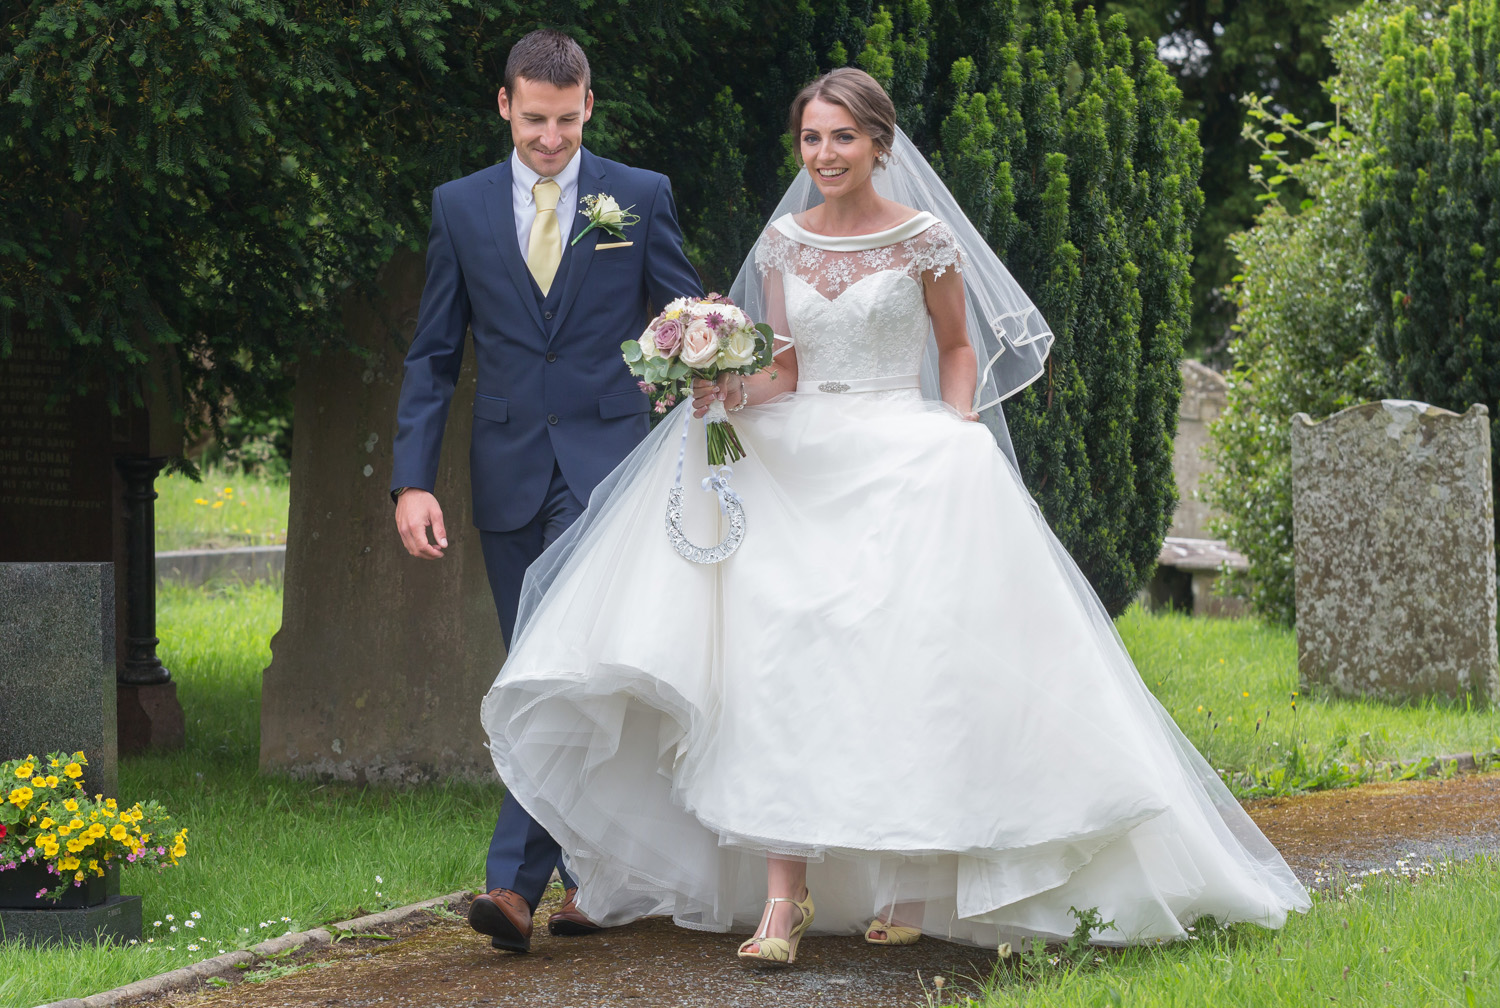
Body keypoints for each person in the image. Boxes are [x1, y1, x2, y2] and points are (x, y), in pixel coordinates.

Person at [480, 67, 1310, 966]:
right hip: (801, 463)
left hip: (906, 458)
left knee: (909, 664)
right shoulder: (783, 243)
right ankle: (780, 899)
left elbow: (958, 349)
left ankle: (910, 884)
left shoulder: (924, 239)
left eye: (841, 137)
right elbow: (786, 371)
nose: (825, 155)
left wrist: (953, 433)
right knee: (779, 663)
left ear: (879, 142)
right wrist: (722, 389)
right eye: (810, 139)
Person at [388, 28, 701, 954]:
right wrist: (412, 480)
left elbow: (683, 319)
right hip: (509, 474)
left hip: (608, 476)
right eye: (535, 120)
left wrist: (691, 378)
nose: (551, 138)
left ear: (589, 108)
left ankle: (510, 888)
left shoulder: (639, 197)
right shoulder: (459, 207)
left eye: (566, 120)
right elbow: (435, 353)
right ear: (504, 106)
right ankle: (603, 875)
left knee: (546, 671)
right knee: (551, 673)